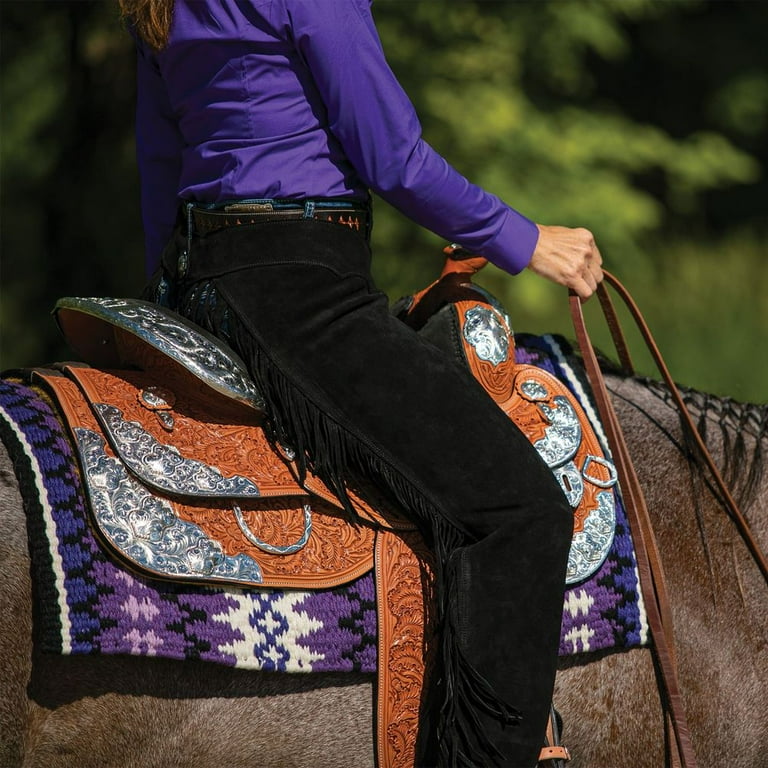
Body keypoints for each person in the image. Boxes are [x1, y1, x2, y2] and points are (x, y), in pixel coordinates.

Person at [120, 1, 603, 766]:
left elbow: (159, 162)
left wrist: (169, 310)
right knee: (521, 509)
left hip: (203, 278)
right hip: (299, 287)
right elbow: (394, 159)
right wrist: (527, 240)